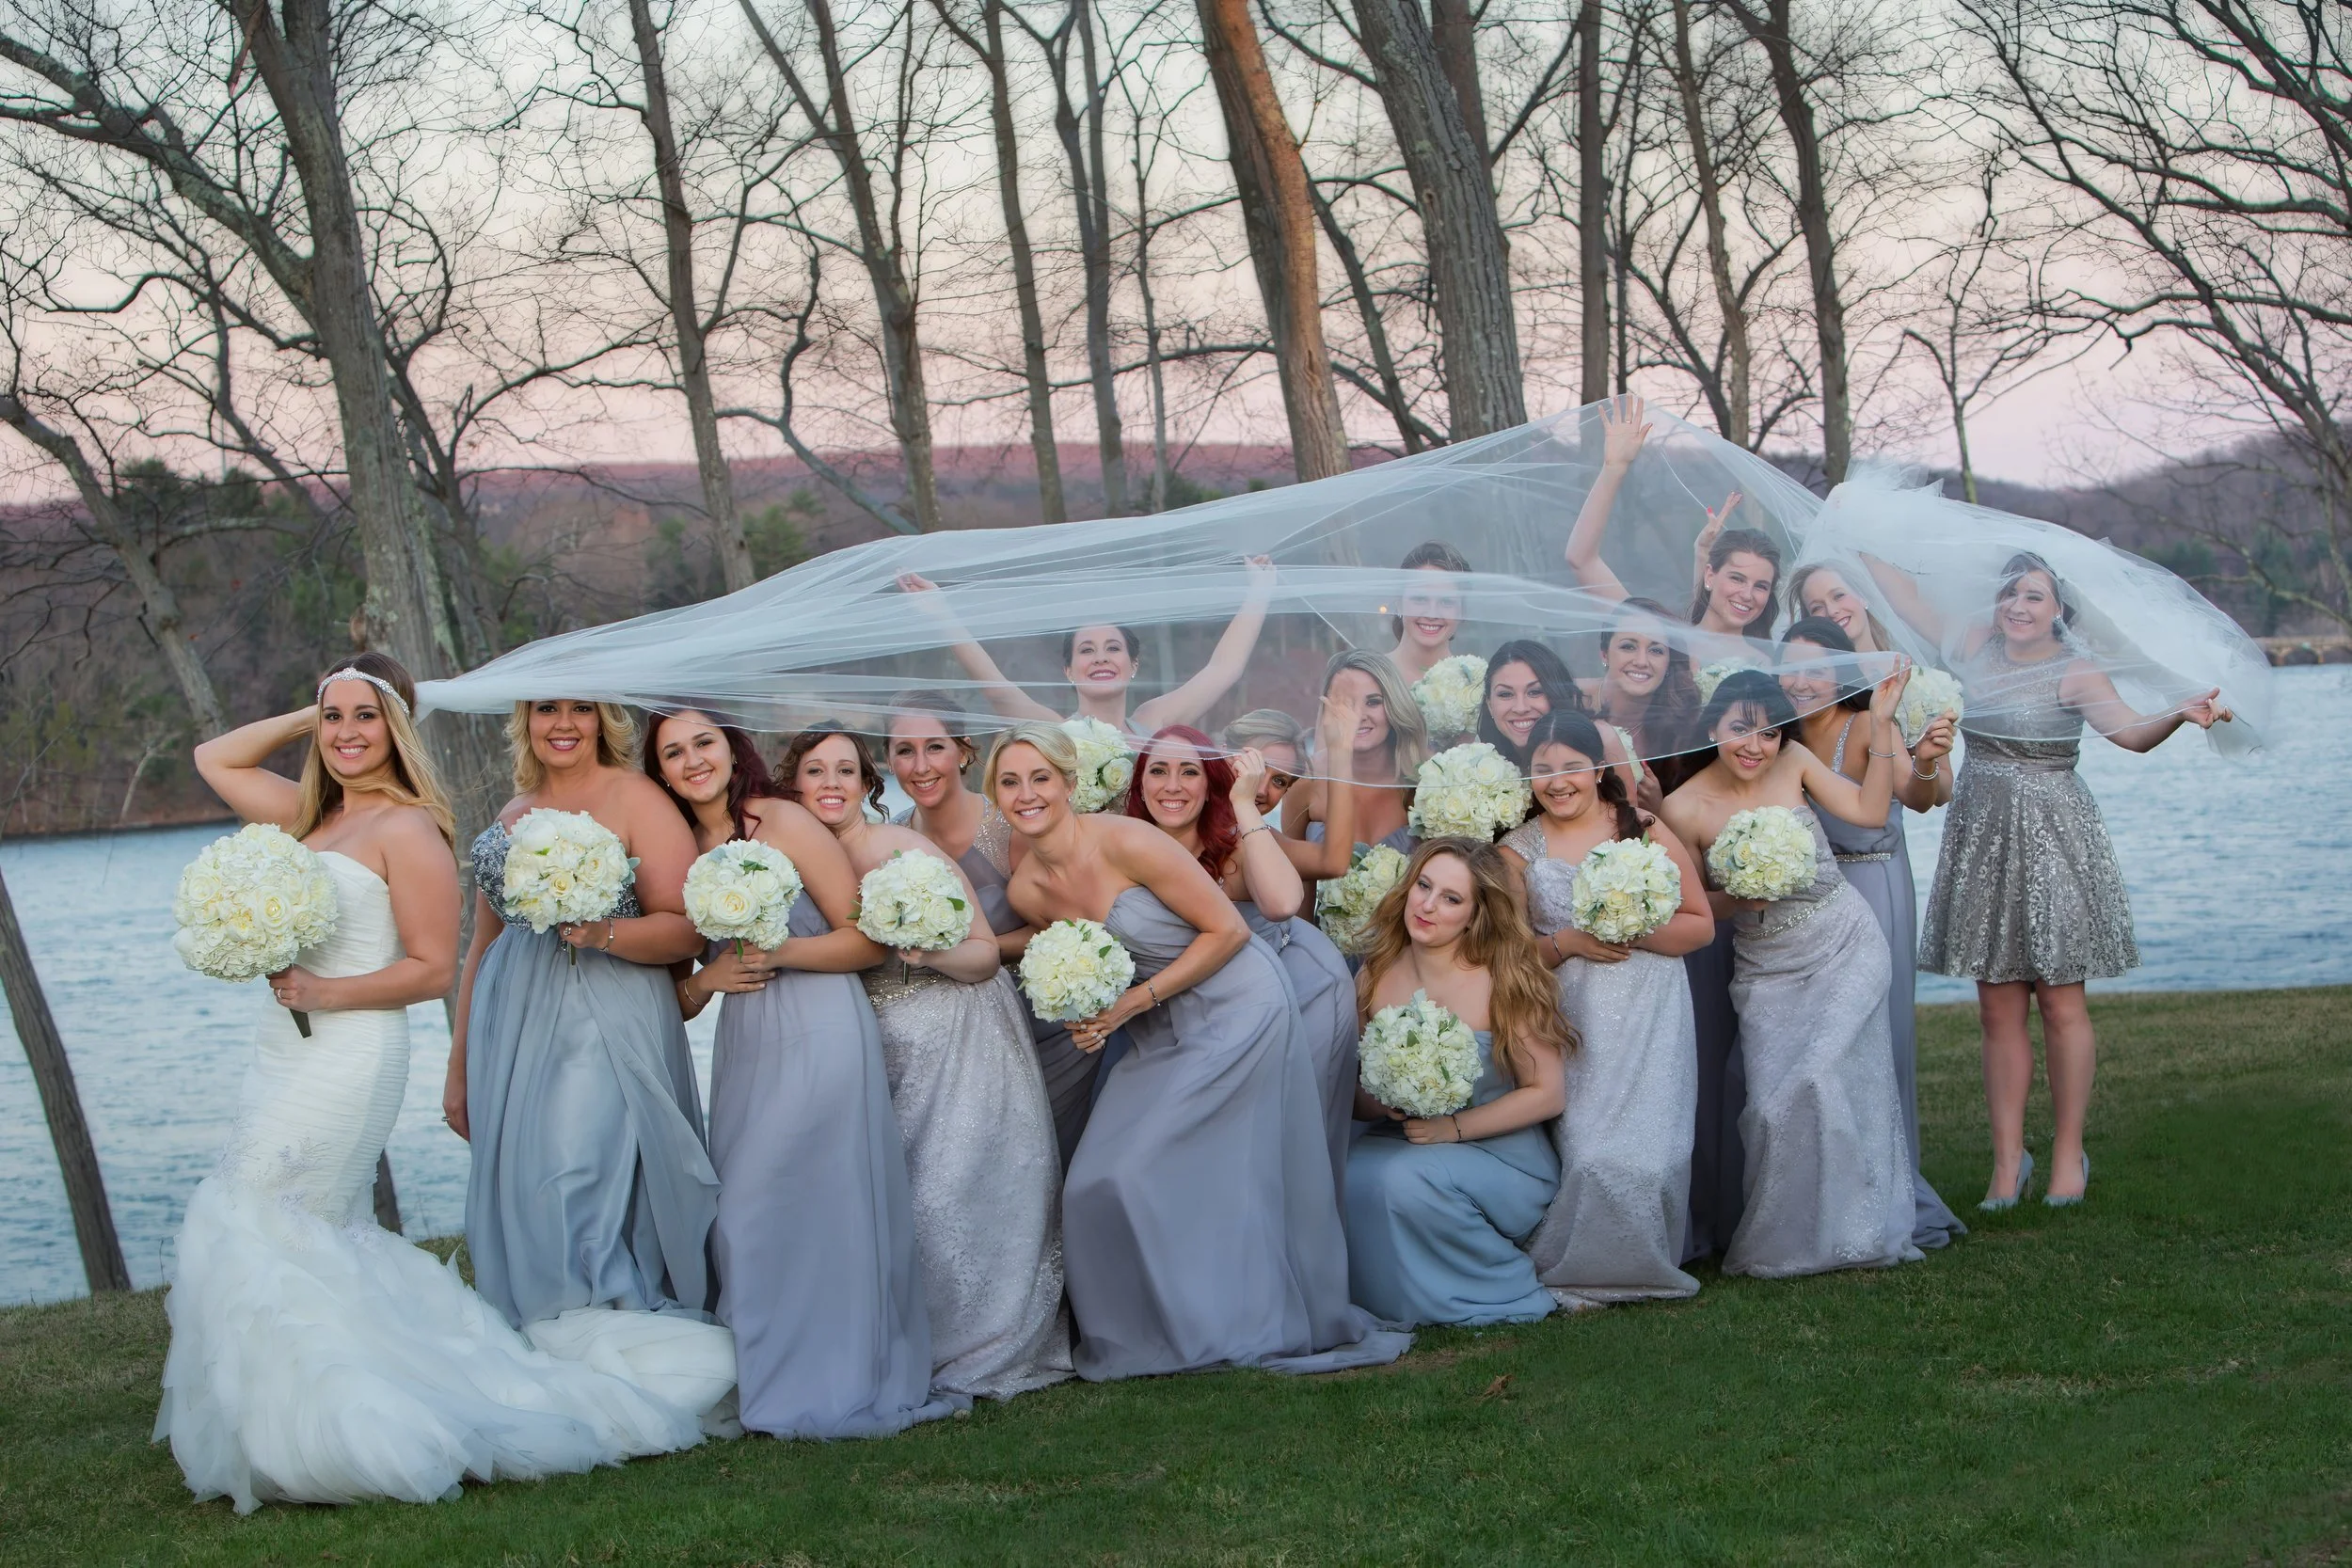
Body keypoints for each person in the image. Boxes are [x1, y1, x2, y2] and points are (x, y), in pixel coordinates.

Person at [165, 657, 705, 1513]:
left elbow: (430, 966)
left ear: (397, 730)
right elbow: (215, 759)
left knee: (264, 1211)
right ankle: (291, 1416)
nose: (347, 732)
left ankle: (347, 1417)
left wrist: (325, 992)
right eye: (334, 718)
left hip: (360, 1049)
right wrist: (323, 708)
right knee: (288, 1222)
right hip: (289, 1049)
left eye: (366, 718)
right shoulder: (311, 817)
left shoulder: (409, 827)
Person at [991, 722, 1409, 1378]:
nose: (1027, 794)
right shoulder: (1026, 890)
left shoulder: (1128, 840)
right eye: (1010, 782)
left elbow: (1228, 931)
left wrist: (1130, 1003)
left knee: (1181, 1174)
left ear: (1069, 784)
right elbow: (1078, 950)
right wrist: (1067, 995)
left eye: (1040, 778)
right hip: (1159, 1027)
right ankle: (1157, 1328)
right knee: (1098, 1180)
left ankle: (1235, 1324)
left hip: (1239, 1006)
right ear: (995, 795)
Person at [1875, 552, 2233, 1208]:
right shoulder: (1971, 646)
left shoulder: (2075, 669)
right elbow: (1904, 598)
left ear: (2058, 609)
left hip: (2056, 838)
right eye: (2010, 593)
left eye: (2034, 596)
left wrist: (2178, 714)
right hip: (1982, 833)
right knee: (1997, 1004)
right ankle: (2008, 1164)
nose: (2018, 606)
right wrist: (1861, 525)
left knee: (2061, 1001)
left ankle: (2070, 1155)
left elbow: (2130, 734)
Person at [648, 713, 954, 1437]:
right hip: (747, 1042)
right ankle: (772, 1376)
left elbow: (866, 940)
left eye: (704, 743)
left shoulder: (781, 819)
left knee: (808, 1202)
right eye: (673, 752)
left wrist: (779, 951)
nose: (693, 760)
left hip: (822, 1024)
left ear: (732, 747)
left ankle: (839, 1375)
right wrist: (709, 978)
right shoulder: (674, 849)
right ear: (660, 772)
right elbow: (681, 996)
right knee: (748, 1212)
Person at [448, 698, 737, 1413]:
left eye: (581, 709)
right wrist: (460, 1067)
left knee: (577, 1172)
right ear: (525, 720)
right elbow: (482, 944)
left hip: (602, 1016)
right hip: (513, 1030)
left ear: (603, 719)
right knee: (525, 1181)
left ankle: (603, 1334)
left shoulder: (636, 797)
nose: (563, 723)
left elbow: (688, 930)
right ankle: (546, 1333)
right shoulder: (513, 809)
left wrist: (601, 931)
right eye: (546, 708)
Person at [785, 722, 1072, 1402]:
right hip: (870, 1042)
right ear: (792, 785)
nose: (831, 784)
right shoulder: (790, 860)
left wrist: (925, 949)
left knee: (951, 1192)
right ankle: (898, 1335)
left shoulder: (902, 849)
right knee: (896, 1199)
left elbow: (982, 953)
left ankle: (978, 1342)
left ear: (867, 784)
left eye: (846, 771)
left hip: (957, 1035)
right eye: (815, 771)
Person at [1659, 668, 1926, 1278]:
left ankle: (1859, 1230)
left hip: (1845, 940)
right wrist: (1740, 896)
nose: (1756, 746)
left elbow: (1869, 811)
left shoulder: (1796, 762)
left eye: (1769, 732)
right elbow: (1693, 907)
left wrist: (1882, 725)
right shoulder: (1683, 807)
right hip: (1765, 966)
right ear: (1713, 727)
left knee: (1824, 1078)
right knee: (1773, 1108)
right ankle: (1789, 1240)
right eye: (1741, 729)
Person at [1502, 710, 1714, 1306]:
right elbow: (1510, 954)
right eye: (1542, 769)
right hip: (1576, 1015)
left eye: (1571, 766)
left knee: (1657, 1147)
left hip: (1653, 1005)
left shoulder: (1641, 827)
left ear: (1598, 769)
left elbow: (1699, 925)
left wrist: (1629, 926)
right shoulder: (1517, 851)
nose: (1557, 781)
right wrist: (1569, 942)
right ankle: (1579, 1265)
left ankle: (1649, 1261)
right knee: (1590, 1150)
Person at [1778, 618, 1965, 1248]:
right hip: (1805, 900)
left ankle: (1887, 1189)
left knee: (1878, 1038)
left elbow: (1917, 794)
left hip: (1872, 883)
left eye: (1817, 669)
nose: (1803, 682)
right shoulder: (1775, 734)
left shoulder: (1864, 725)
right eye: (1792, 668)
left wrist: (1928, 760)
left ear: (1840, 674)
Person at [1125, 712, 1362, 1197]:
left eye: (1280, 781)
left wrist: (1339, 756)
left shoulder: (1245, 839)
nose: (1261, 788)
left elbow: (1324, 868)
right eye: (1250, 767)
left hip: (1284, 989)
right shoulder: (1134, 828)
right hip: (1169, 1007)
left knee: (1271, 1137)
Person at [1344, 838, 1569, 1326]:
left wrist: (1453, 1128)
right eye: (1423, 886)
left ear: (1474, 915)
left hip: (1503, 1156)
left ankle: (1497, 1288)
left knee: (1401, 1180)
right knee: (1342, 1171)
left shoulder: (1503, 978)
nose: (1427, 905)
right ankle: (1383, 1301)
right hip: (1402, 1137)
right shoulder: (1375, 974)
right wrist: (1385, 1102)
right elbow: (1356, 1096)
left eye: (1451, 898)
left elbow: (1548, 1093)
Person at [886, 693, 1098, 1161]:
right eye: (904, 750)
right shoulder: (894, 838)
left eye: (935, 747)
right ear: (889, 761)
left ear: (964, 750)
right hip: (941, 1045)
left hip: (1040, 1026)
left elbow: (1067, 925)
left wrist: (972, 952)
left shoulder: (1012, 827)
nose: (921, 766)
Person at [897, 559, 1277, 738]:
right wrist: (940, 612)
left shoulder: (1153, 721)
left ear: (1133, 664)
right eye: (1086, 650)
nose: (1100, 657)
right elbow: (997, 690)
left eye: (1112, 648)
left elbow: (1222, 670)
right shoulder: (1056, 730)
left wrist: (1259, 593)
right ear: (1068, 670)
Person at [1563, 394, 1775, 640]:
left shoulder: (1774, 659)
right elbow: (1581, 559)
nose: (1747, 595)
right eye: (1737, 578)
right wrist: (1614, 469)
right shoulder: (1664, 643)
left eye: (1761, 586)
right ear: (1710, 576)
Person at [1279, 648, 1427, 863]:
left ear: (1395, 705)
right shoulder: (1305, 780)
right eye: (1346, 703)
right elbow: (1292, 873)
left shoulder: (1425, 780)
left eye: (1373, 702)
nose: (1357, 716)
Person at [1387, 540, 1473, 685]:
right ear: (1399, 603)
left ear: (1462, 610)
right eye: (1420, 599)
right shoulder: (1367, 677)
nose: (1432, 614)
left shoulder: (1476, 683)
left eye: (1446, 601)